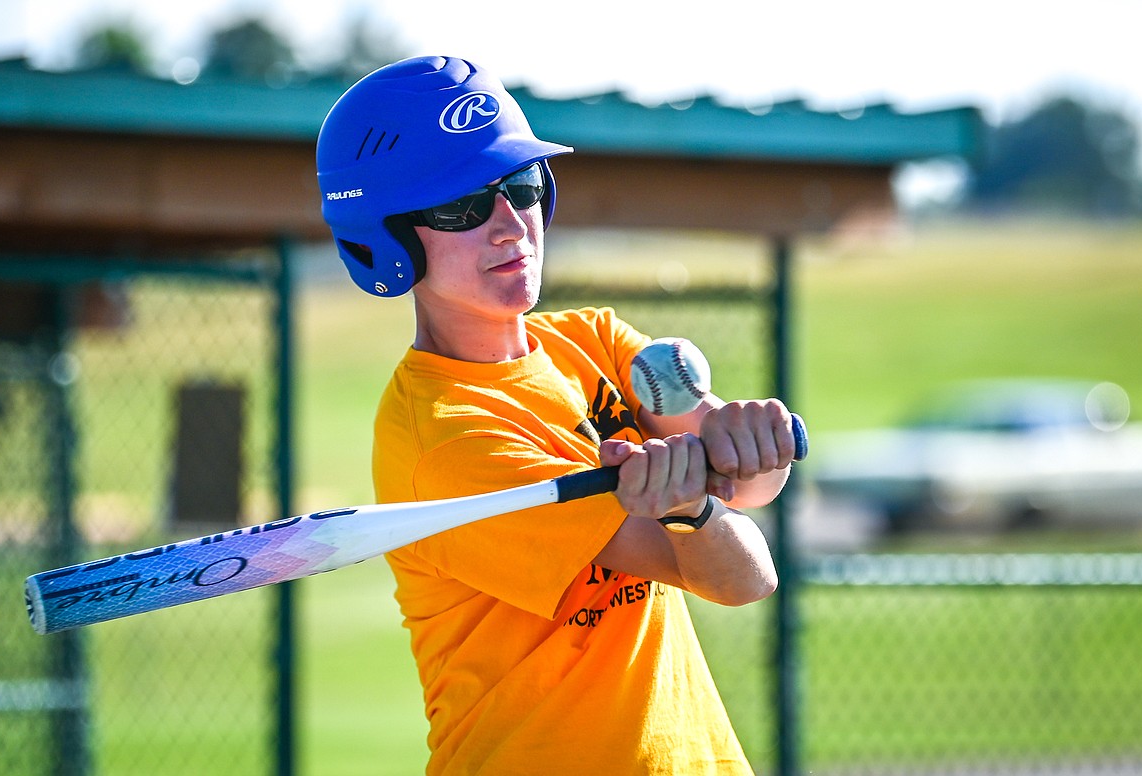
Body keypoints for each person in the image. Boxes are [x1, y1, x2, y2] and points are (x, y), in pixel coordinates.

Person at [316, 55, 801, 775]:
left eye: (521, 186)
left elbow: (748, 491)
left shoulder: (593, 342)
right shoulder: (446, 437)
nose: (512, 225)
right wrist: (691, 512)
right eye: (461, 206)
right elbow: (737, 577)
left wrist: (750, 445)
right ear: (386, 237)